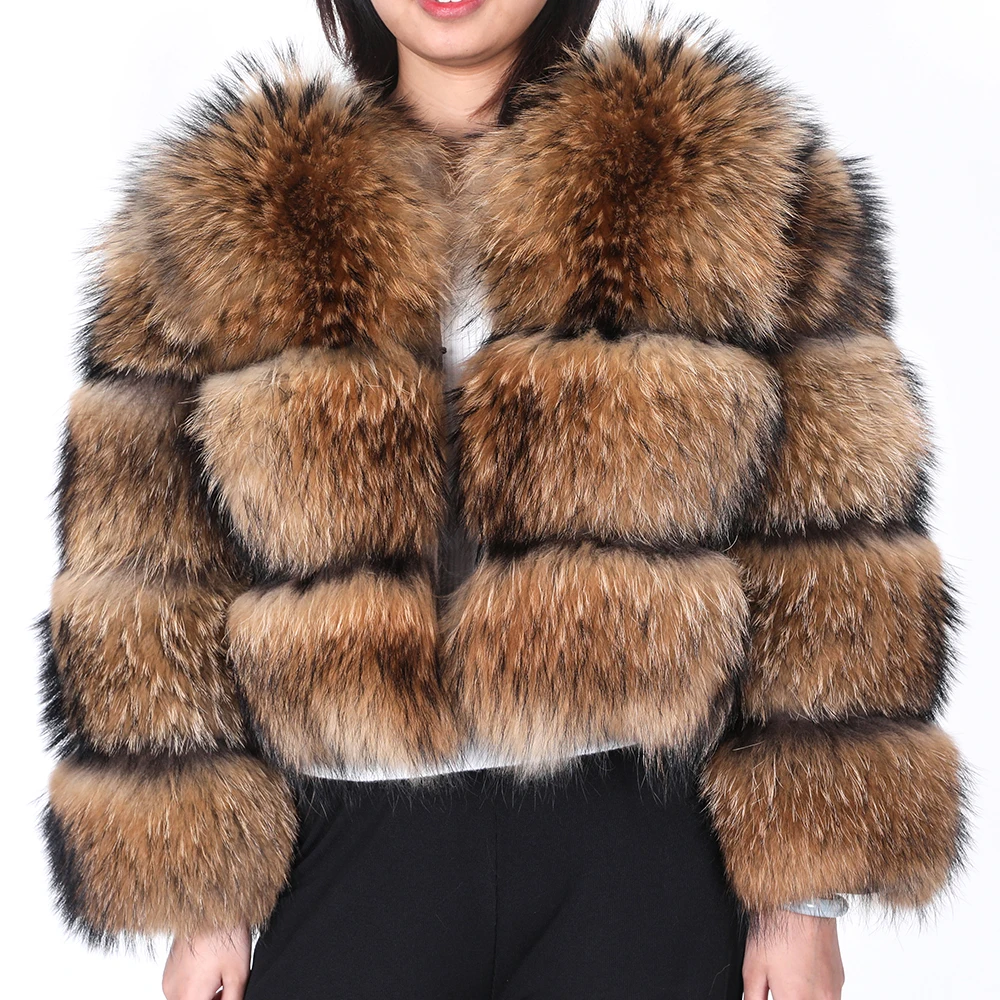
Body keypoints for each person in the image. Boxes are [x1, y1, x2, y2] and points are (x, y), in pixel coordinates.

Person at [38, 1, 968, 998]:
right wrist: (202, 896)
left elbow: (832, 548)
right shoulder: (220, 213)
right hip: (347, 843)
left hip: (638, 837)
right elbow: (149, 569)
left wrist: (804, 899)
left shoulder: (725, 179)